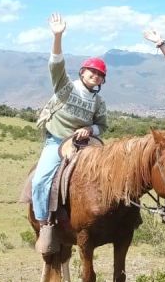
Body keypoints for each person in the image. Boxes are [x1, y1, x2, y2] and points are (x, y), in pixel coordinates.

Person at [32, 13, 108, 254]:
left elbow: (102, 125)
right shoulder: (67, 89)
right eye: (91, 72)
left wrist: (90, 129)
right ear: (82, 72)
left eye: (99, 75)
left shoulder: (98, 102)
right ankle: (45, 225)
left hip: (84, 144)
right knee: (41, 179)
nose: (94, 76)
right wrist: (57, 36)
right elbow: (56, 66)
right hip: (57, 142)